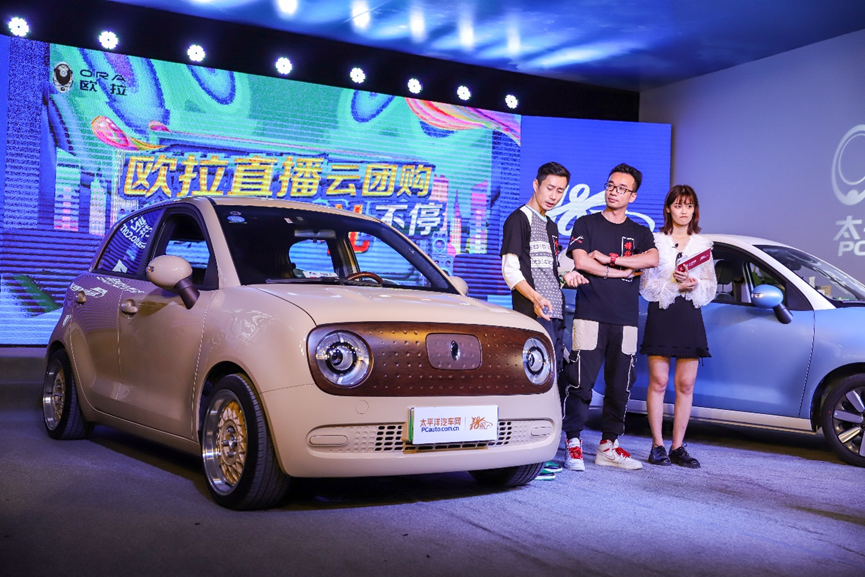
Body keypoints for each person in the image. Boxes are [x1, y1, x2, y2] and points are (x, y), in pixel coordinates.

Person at [561, 163, 659, 471]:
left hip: (626, 319)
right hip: (590, 313)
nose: (614, 192)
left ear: (633, 196)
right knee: (580, 382)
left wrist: (610, 258)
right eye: (610, 185)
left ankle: (608, 445)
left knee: (621, 385)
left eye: (622, 188)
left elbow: (653, 258)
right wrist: (620, 272)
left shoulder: (640, 232)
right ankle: (573, 443)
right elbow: (581, 262)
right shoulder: (586, 223)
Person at [501, 161, 587, 480]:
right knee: (533, 383)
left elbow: (548, 271)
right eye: (549, 188)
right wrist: (536, 299)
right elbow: (511, 272)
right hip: (532, 314)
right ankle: (527, 457)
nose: (554, 195)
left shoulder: (550, 225)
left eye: (560, 191)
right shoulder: (518, 219)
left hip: (554, 312)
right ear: (536, 184)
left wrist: (567, 277)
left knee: (552, 383)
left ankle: (540, 453)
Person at [639, 185, 717, 468]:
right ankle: (657, 445)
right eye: (678, 205)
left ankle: (677, 447)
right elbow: (646, 285)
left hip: (689, 314)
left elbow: (710, 286)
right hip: (662, 313)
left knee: (686, 384)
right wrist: (673, 282)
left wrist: (694, 284)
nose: (684, 211)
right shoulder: (655, 242)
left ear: (695, 210)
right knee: (658, 382)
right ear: (668, 209)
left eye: (689, 205)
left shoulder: (703, 245)